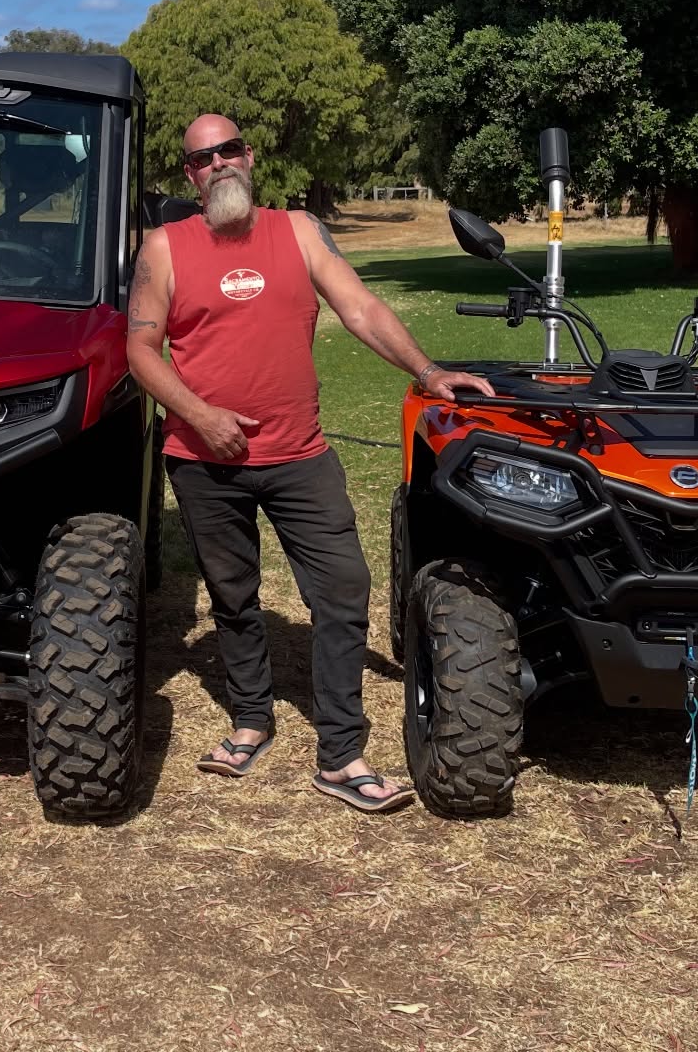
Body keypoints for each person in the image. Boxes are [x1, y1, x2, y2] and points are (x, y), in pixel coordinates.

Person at [126, 114, 495, 813]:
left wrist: (426, 369)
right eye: (203, 158)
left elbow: (358, 306)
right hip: (203, 461)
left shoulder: (296, 230)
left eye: (229, 150)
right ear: (190, 175)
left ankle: (341, 752)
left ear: (250, 156)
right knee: (233, 598)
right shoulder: (164, 247)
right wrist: (203, 415)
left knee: (342, 590)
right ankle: (250, 718)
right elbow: (140, 349)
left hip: (300, 455)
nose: (219, 164)